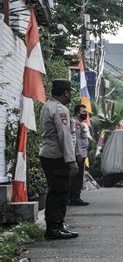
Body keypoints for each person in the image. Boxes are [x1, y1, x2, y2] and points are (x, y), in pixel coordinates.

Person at [39, 79, 79, 240]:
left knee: (58, 190)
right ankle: (54, 227)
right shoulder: (60, 109)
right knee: (59, 192)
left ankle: (57, 224)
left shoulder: (48, 105)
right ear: (66, 93)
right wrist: (71, 160)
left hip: (49, 155)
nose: (70, 96)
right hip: (57, 156)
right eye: (70, 93)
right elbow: (65, 136)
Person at [69, 104, 90, 206]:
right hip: (79, 155)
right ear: (78, 113)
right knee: (77, 178)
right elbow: (76, 140)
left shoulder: (81, 124)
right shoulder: (76, 124)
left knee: (78, 177)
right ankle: (75, 198)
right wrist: (79, 154)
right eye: (83, 112)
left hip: (82, 154)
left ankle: (75, 197)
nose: (85, 114)